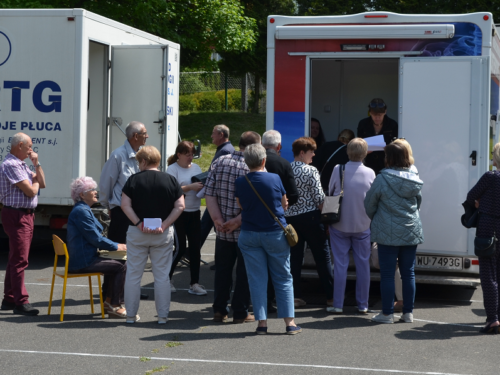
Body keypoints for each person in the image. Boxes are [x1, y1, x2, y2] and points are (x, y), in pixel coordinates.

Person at [235, 144, 301, 335]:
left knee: (256, 279)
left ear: (247, 162)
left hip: (249, 234)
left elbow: (241, 205)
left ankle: (261, 324)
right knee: (283, 277)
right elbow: (284, 203)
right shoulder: (274, 178)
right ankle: (289, 323)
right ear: (264, 160)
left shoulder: (241, 181)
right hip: (274, 233)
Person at [121, 146, 185, 324]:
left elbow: (125, 205)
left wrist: (138, 223)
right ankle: (162, 317)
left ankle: (131, 316)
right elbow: (180, 206)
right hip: (162, 234)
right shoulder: (170, 180)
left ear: (143, 161)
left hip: (137, 233)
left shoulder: (133, 180)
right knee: (162, 276)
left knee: (133, 275)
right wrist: (165, 224)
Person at [365, 142, 423, 324]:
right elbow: (418, 203)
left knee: (388, 274)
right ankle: (408, 313)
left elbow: (369, 205)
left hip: (386, 232)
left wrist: (379, 218)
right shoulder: (414, 177)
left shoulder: (382, 178)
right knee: (408, 273)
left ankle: (387, 313)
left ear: (388, 158)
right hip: (410, 229)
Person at [205, 131, 260, 323]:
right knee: (244, 273)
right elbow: (257, 202)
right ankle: (241, 311)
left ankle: (219, 310)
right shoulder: (254, 166)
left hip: (222, 229)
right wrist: (237, 221)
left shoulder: (219, 162)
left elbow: (209, 194)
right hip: (245, 229)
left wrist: (217, 220)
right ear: (256, 147)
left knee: (222, 271)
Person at [99, 121, 149, 300]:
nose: (147, 136)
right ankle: (110, 292)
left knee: (135, 253)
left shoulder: (142, 155)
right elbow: (106, 184)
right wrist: (109, 207)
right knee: (117, 254)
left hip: (136, 214)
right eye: (144, 133)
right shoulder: (118, 155)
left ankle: (129, 289)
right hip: (120, 212)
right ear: (135, 136)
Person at [66, 177, 128, 318]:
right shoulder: (81, 211)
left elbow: (95, 238)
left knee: (120, 264)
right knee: (120, 266)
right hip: (83, 262)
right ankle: (115, 305)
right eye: (91, 190)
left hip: (84, 257)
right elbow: (96, 239)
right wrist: (118, 246)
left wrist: (115, 247)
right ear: (82, 195)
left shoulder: (83, 209)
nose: (95, 192)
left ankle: (109, 302)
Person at [327, 138, 375, 314]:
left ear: (348, 152)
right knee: (363, 265)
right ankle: (363, 304)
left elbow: (331, 191)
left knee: (340, 264)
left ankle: (338, 304)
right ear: (365, 153)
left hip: (339, 223)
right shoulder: (370, 173)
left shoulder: (338, 169)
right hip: (363, 224)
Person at [0, 133, 46, 316]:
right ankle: (21, 301)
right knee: (20, 259)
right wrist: (33, 182)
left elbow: (41, 183)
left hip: (24, 215)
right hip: (17, 215)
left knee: (15, 258)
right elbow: (30, 191)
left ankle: (9, 298)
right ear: (19, 145)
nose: (31, 151)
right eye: (29, 147)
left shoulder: (22, 165)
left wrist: (37, 164)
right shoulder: (11, 164)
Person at [285, 137, 334, 308]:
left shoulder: (286, 169)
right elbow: (319, 198)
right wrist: (328, 218)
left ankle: (295, 296)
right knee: (323, 257)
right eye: (311, 151)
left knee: (294, 259)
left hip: (290, 219)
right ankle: (331, 296)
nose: (314, 154)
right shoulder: (311, 170)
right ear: (302, 153)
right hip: (311, 218)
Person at [261, 130, 299, 312]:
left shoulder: (254, 163)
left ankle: (262, 302)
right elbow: (294, 194)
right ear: (279, 147)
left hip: (255, 220)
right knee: (280, 267)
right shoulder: (284, 163)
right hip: (278, 220)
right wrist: (283, 206)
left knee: (259, 266)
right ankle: (279, 303)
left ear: (262, 144)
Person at [466, 142, 500, 334]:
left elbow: (471, 196)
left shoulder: (490, 177)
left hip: (488, 228)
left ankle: (493, 319)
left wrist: (480, 203)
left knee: (488, 275)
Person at [166, 141, 207, 296]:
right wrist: (190, 187)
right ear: (179, 155)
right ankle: (167, 279)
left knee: (195, 249)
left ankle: (194, 283)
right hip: (179, 214)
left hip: (195, 212)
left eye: (192, 154)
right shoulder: (172, 169)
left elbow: (201, 183)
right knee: (180, 247)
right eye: (188, 154)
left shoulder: (196, 168)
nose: (191, 158)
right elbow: (171, 189)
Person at [200, 125, 235, 271]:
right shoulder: (225, 149)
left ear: (221, 135)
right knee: (207, 226)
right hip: (218, 197)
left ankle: (221, 260)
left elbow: (217, 174)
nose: (211, 136)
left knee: (216, 228)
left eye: (213, 134)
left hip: (218, 198)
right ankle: (193, 253)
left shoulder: (226, 150)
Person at [357, 98, 398, 175]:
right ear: (370, 113)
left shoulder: (392, 124)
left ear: (385, 112)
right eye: (374, 115)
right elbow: (358, 142)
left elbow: (397, 144)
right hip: (367, 162)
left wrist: (389, 149)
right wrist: (364, 150)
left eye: (380, 115)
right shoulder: (363, 124)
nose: (377, 117)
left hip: (386, 163)